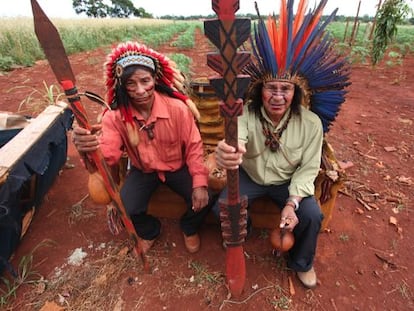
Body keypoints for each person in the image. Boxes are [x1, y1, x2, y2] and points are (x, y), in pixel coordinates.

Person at [213, 0, 350, 289]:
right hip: (250, 177)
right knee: (222, 206)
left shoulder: (310, 123)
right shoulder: (247, 114)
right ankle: (244, 233)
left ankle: (301, 263)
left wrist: (292, 203)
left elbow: (309, 167)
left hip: (287, 183)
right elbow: (236, 139)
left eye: (285, 89)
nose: (277, 96)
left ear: (295, 92)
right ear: (260, 91)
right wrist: (228, 152)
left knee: (312, 215)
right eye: (271, 88)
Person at [72, 41, 211, 254]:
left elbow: (194, 147)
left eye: (145, 81)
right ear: (122, 86)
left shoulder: (178, 109)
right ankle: (150, 230)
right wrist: (87, 149)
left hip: (177, 167)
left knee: (206, 196)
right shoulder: (115, 117)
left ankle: (189, 227)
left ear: (154, 79)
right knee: (125, 207)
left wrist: (199, 183)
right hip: (143, 171)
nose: (140, 91)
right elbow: (107, 156)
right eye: (131, 84)